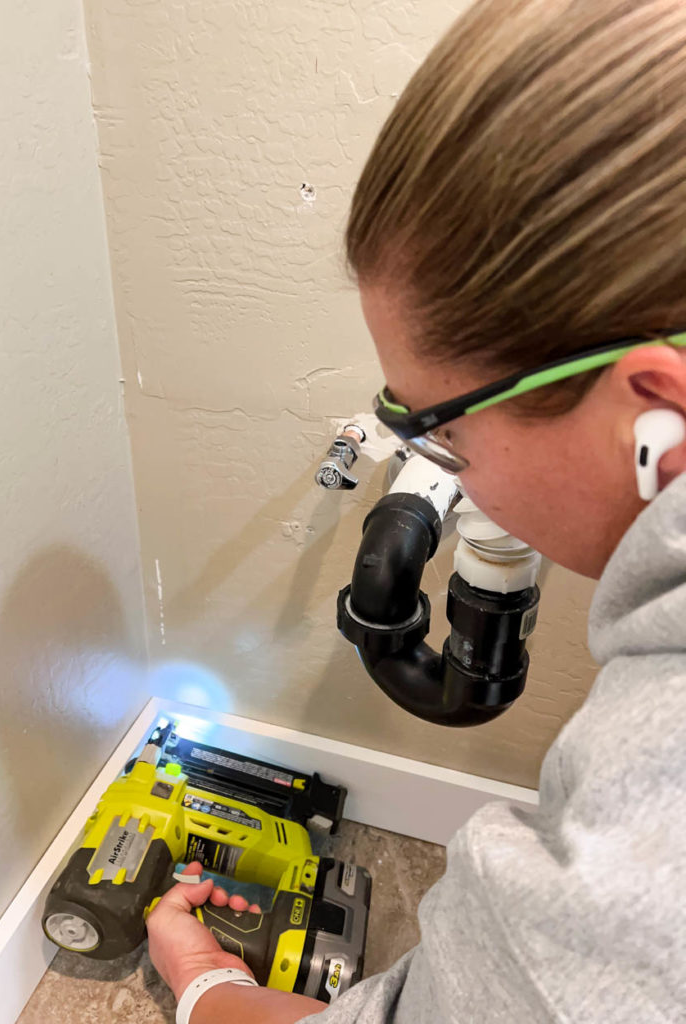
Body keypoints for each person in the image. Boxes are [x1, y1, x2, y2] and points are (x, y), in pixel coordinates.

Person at [146, 0, 686, 1020]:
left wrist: (198, 976)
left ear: (655, 416)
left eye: (443, 427)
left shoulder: (636, 851)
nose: (445, 470)